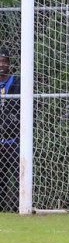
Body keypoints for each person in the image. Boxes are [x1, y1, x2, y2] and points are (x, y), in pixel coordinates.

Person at [0, 48, 20, 212]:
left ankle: (19, 209)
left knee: (20, 177)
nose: (1, 64)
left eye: (4, 61)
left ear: (9, 64)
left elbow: (26, 111)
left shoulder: (19, 82)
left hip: (15, 140)